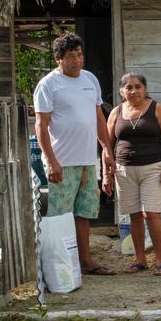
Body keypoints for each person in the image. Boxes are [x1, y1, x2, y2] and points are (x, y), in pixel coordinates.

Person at [33, 33, 116, 276]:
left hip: (88, 160)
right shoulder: (48, 84)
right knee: (60, 216)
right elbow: (41, 125)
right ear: (58, 59)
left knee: (84, 213)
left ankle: (86, 262)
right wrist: (50, 161)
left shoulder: (90, 79)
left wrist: (107, 150)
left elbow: (98, 116)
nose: (77, 61)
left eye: (79, 55)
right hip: (62, 161)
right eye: (70, 56)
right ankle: (58, 266)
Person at [107, 73, 161, 276]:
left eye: (138, 86)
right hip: (123, 169)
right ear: (122, 92)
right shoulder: (116, 112)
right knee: (134, 215)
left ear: (145, 89)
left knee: (152, 214)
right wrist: (107, 172)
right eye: (128, 87)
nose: (133, 91)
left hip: (153, 167)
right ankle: (140, 259)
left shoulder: (157, 109)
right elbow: (107, 144)